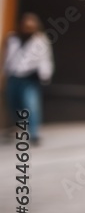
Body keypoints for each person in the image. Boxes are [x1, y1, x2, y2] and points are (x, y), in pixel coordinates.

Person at [3, 12, 53, 144]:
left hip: (30, 77)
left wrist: (45, 75)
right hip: (13, 76)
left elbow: (45, 60)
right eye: (26, 25)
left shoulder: (41, 40)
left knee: (30, 105)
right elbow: (7, 57)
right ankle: (19, 127)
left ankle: (34, 133)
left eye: (31, 25)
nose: (28, 28)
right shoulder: (13, 38)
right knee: (14, 103)